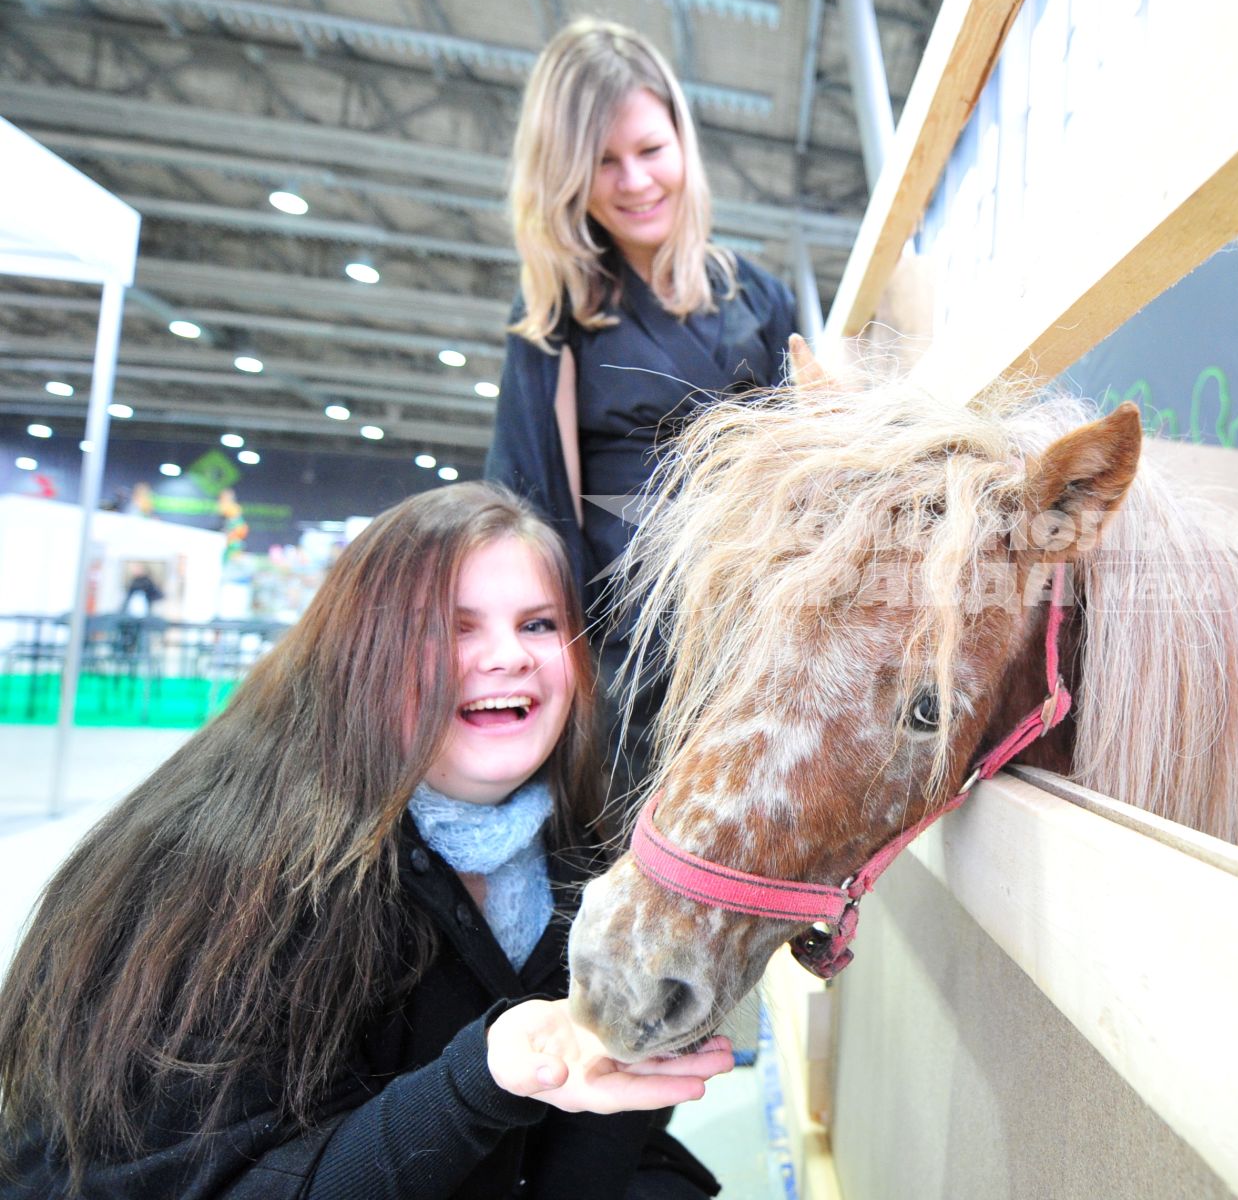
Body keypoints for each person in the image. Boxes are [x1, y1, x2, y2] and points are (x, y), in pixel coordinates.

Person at [0, 483, 733, 1199]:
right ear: (361, 651)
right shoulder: (217, 876)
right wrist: (482, 1080)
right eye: (453, 626)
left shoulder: (590, 856)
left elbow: (584, 1144)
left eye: (538, 624)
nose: (509, 656)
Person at [484, 18, 798, 788]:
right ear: (565, 175)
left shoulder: (761, 298)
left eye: (651, 151)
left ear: (683, 143)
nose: (634, 182)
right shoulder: (556, 321)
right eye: (603, 162)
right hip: (625, 676)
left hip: (762, 657)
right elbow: (527, 510)